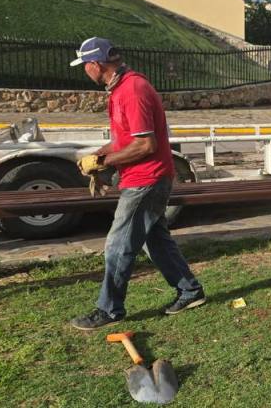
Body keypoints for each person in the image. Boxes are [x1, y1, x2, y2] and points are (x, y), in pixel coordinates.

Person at [68, 37, 205, 330]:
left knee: (118, 245)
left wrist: (105, 162)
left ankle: (109, 310)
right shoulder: (120, 89)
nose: (85, 71)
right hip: (144, 177)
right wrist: (97, 157)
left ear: (96, 64)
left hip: (147, 179)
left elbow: (145, 145)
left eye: (85, 65)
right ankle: (190, 291)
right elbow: (124, 140)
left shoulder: (132, 90)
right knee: (156, 241)